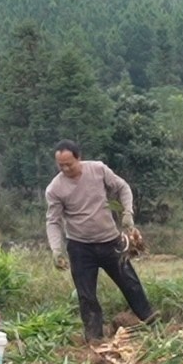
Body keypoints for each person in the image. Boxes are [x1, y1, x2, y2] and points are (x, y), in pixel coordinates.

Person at [44, 140, 155, 342]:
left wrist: (127, 214)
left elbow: (123, 188)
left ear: (79, 157)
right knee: (86, 295)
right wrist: (56, 250)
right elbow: (53, 222)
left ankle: (150, 322)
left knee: (130, 282)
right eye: (61, 165)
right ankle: (94, 338)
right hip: (80, 247)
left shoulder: (98, 170)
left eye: (69, 163)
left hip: (110, 241)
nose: (65, 168)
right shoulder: (55, 189)